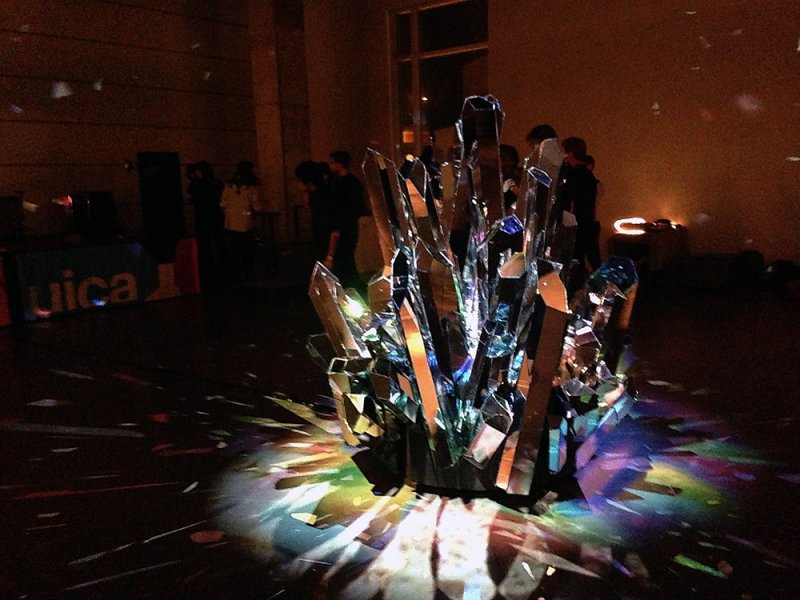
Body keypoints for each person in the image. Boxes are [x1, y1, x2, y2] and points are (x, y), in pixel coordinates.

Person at [559, 137, 601, 272]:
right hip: (587, 223)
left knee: (579, 262)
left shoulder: (575, 174)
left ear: (569, 153)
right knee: (592, 260)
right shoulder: (587, 174)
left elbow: (567, 199)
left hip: (579, 225)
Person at [326, 150, 366, 293]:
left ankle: (353, 288)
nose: (330, 167)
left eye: (332, 163)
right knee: (345, 259)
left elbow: (353, 206)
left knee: (345, 259)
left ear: (338, 164)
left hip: (346, 224)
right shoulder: (344, 182)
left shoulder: (346, 183)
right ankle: (352, 288)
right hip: (346, 223)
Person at [220, 160, 264, 283]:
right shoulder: (251, 187)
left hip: (230, 223)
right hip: (246, 222)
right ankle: (249, 277)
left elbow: (223, 204)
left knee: (234, 251)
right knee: (247, 252)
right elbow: (256, 205)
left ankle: (235, 277)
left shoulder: (229, 185)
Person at [186, 160, 225, 290]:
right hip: (215, 214)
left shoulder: (197, 185)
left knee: (204, 243)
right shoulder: (217, 183)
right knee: (218, 241)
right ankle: (221, 268)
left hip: (203, 215)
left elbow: (192, 193)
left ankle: (206, 270)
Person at [295, 160, 335, 265]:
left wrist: (330, 255)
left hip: (326, 236)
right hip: (321, 233)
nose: (297, 183)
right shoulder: (316, 193)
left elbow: (332, 227)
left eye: (299, 180)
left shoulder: (323, 196)